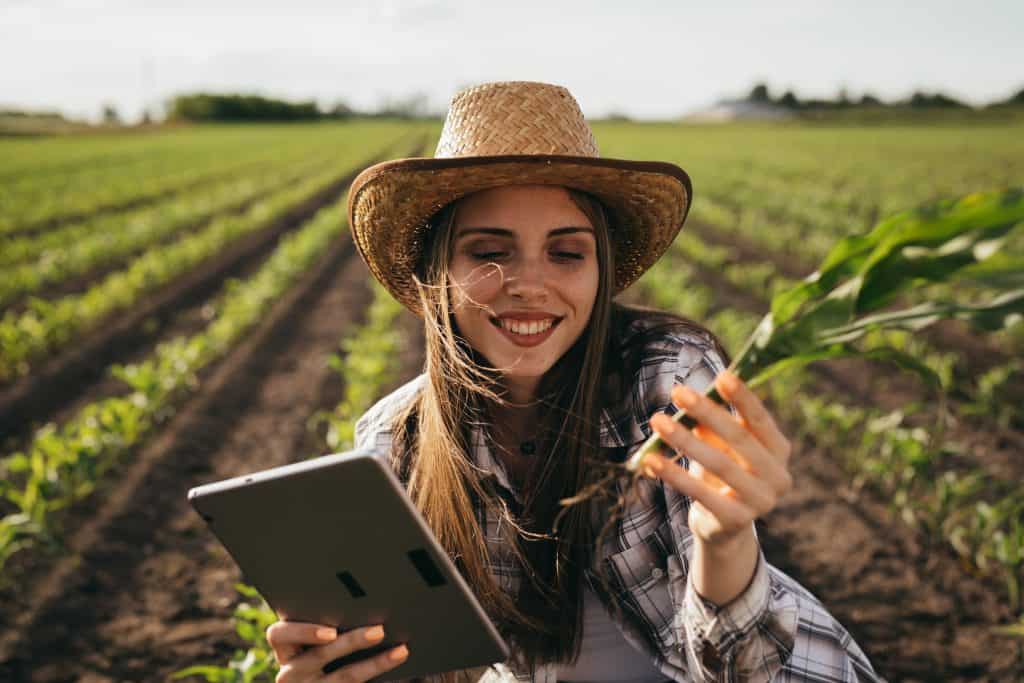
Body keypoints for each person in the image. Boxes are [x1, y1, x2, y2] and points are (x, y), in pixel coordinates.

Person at [265, 81, 881, 683]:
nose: (530, 283)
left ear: (601, 269)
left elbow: (741, 669)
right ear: (441, 274)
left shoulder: (664, 378)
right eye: (488, 253)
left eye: (566, 252)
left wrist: (724, 543)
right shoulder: (396, 441)